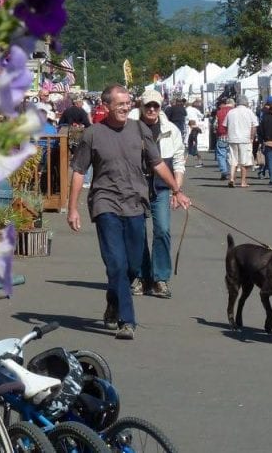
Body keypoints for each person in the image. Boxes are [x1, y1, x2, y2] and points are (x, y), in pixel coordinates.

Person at [68, 84, 191, 340]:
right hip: (105, 203)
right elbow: (79, 171)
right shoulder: (93, 134)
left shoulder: (139, 129)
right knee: (116, 262)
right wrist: (72, 209)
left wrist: (176, 189)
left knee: (133, 265)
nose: (125, 107)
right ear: (106, 106)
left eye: (127, 103)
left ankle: (113, 302)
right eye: (119, 103)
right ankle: (127, 320)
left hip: (135, 203)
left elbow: (157, 163)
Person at [131, 89, 185, 299]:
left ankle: (160, 278)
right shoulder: (130, 127)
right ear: (141, 107)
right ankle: (142, 277)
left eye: (156, 106)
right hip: (136, 186)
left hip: (161, 187)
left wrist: (176, 189)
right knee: (138, 233)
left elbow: (179, 161)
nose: (152, 109)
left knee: (162, 230)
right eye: (148, 106)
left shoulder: (171, 130)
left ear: (161, 107)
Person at [224, 95, 258, 188]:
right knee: (244, 161)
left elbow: (225, 125)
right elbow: (254, 126)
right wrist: (252, 137)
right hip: (245, 139)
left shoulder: (231, 112)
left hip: (232, 138)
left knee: (233, 159)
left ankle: (231, 178)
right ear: (246, 103)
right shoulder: (249, 112)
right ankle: (243, 182)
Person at [214, 97, 235, 181]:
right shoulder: (234, 112)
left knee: (221, 155)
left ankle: (224, 171)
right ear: (233, 104)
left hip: (221, 135)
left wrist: (216, 131)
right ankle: (232, 172)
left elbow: (215, 125)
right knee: (232, 155)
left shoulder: (219, 112)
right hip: (232, 136)